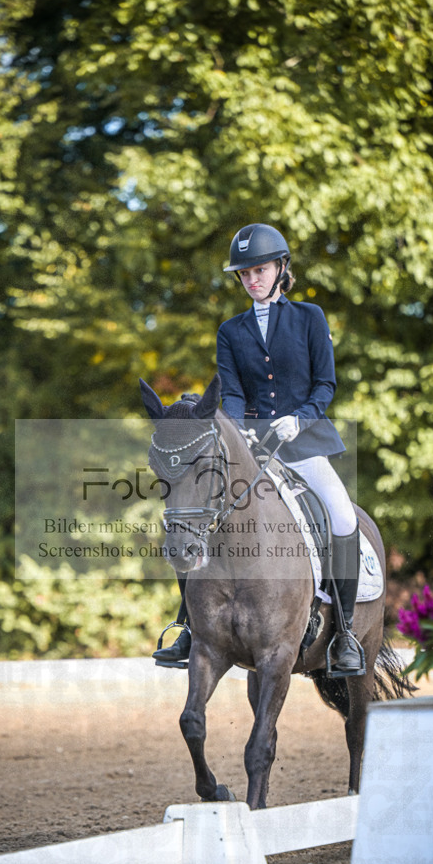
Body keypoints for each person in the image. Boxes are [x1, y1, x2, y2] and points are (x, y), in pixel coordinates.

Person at [153, 223, 363, 675]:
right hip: (252, 450)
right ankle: (188, 625)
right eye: (245, 274)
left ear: (281, 268)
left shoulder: (309, 317)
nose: (252, 280)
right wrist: (238, 429)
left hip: (304, 443)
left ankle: (344, 634)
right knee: (195, 514)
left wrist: (300, 418)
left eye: (260, 271)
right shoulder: (231, 331)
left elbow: (325, 384)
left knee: (343, 516)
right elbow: (230, 392)